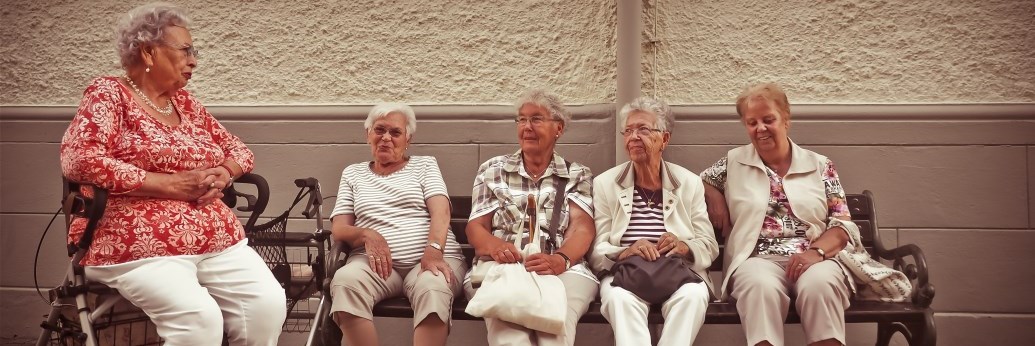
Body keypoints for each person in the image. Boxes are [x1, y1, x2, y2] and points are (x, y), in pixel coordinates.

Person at [59, 3, 285, 345]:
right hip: (136, 241)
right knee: (199, 320)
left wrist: (224, 173)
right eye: (186, 50)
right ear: (149, 52)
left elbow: (240, 152)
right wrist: (167, 184)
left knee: (266, 305)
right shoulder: (109, 94)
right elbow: (80, 159)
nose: (194, 59)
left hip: (217, 239)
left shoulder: (187, 104)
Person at [702, 83, 854, 346]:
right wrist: (714, 195)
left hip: (813, 257)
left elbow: (842, 224)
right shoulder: (733, 162)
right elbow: (695, 183)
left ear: (786, 120)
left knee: (821, 287)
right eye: (752, 122)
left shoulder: (820, 165)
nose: (760, 128)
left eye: (768, 119)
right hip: (757, 258)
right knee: (759, 288)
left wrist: (815, 253)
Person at [463, 90, 598, 346]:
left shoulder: (577, 174)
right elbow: (476, 227)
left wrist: (561, 259)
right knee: (509, 338)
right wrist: (497, 247)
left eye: (536, 119)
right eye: (521, 120)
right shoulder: (493, 171)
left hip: (563, 269)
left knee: (555, 332)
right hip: (501, 267)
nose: (527, 127)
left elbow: (581, 228)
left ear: (558, 128)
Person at [328, 103, 467, 346]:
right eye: (379, 130)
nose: (386, 138)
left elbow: (441, 212)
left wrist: (434, 250)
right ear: (367, 134)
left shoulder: (425, 166)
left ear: (408, 139)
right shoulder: (353, 174)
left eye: (395, 132)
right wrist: (368, 234)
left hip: (428, 259)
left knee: (433, 287)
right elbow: (340, 228)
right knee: (345, 281)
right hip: (375, 265)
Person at [590, 97, 718, 345]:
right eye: (628, 131)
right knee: (620, 300)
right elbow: (597, 251)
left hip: (680, 274)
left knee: (692, 297)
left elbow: (709, 245)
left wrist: (683, 246)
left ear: (665, 139)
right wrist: (626, 251)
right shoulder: (606, 184)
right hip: (626, 276)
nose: (633, 137)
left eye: (644, 130)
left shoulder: (688, 183)